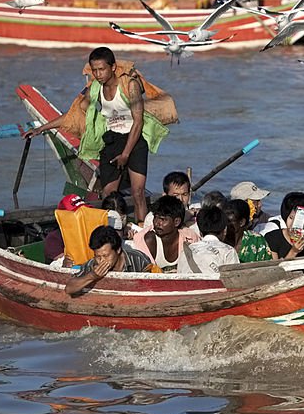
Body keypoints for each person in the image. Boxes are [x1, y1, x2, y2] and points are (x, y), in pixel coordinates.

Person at [25, 47, 171, 223]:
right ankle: (111, 231)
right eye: (94, 70)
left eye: (102, 69)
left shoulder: (129, 86)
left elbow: (138, 122)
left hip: (134, 139)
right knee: (108, 195)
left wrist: (125, 155)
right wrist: (42, 128)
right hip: (112, 140)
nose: (98, 74)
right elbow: (74, 114)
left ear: (113, 67)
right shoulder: (95, 89)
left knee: (138, 192)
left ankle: (142, 232)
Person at [65, 225, 154, 296]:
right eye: (98, 256)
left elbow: (152, 286)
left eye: (106, 255)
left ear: (118, 250)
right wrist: (92, 276)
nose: (101, 261)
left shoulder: (139, 259)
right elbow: (69, 288)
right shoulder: (93, 265)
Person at [131, 195, 200, 271]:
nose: (157, 223)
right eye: (155, 217)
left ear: (176, 222)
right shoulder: (147, 240)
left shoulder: (190, 238)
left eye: (163, 219)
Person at [262, 191, 304, 259]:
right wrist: (294, 252)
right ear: (285, 217)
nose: (293, 224)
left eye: (299, 219)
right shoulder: (272, 238)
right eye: (291, 218)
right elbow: (274, 268)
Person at [180, 206, 238, 274]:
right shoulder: (228, 251)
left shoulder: (186, 251)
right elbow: (235, 279)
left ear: (200, 232)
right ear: (225, 230)